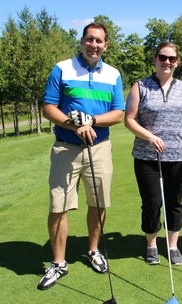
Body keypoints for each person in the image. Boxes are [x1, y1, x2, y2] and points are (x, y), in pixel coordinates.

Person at [37, 22, 125, 290]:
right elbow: (48, 107)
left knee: (98, 204)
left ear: (106, 45)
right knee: (58, 206)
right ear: (82, 41)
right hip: (66, 147)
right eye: (89, 39)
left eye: (99, 41)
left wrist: (92, 120)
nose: (94, 45)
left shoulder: (112, 74)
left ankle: (93, 250)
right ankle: (59, 263)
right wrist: (73, 124)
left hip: (99, 148)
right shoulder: (62, 68)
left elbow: (118, 113)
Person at [125, 42, 182, 266]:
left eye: (172, 59)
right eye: (163, 57)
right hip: (147, 156)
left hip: (180, 154)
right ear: (155, 59)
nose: (167, 62)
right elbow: (129, 119)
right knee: (151, 202)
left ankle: (172, 246)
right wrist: (149, 136)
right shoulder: (140, 86)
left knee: (174, 202)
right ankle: (151, 244)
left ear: (177, 62)